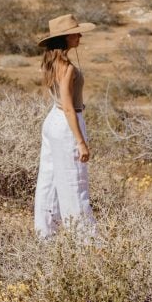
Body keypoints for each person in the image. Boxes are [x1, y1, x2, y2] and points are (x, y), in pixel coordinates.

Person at [34, 13, 97, 238]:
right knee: (74, 182)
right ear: (66, 38)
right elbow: (69, 107)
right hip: (66, 122)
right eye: (75, 33)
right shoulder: (67, 66)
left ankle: (45, 235)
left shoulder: (51, 63)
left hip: (53, 119)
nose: (80, 35)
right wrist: (81, 142)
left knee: (48, 181)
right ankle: (85, 240)